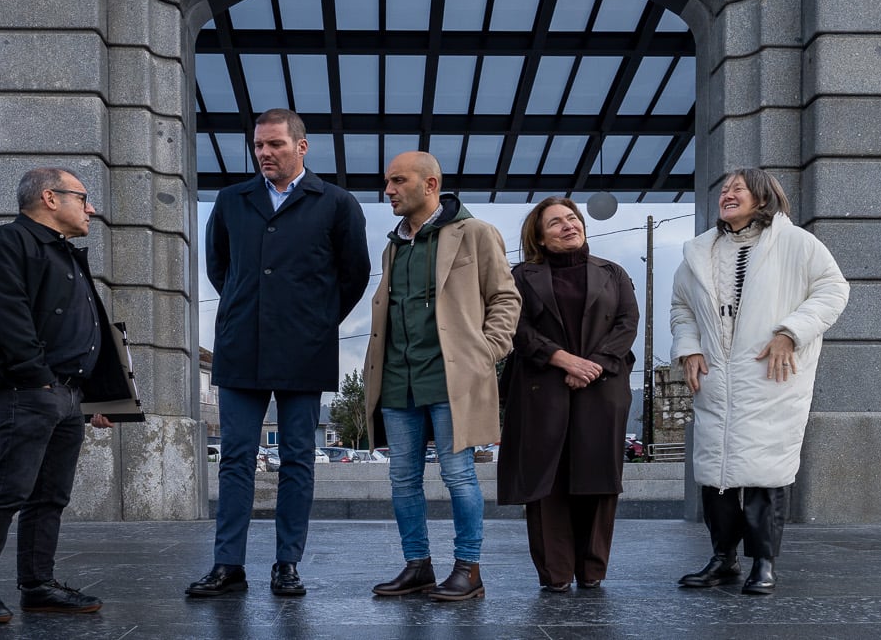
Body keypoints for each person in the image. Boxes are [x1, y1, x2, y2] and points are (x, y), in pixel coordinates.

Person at [188, 108, 371, 600]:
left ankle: (286, 563)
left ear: (301, 146)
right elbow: (220, 268)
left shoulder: (336, 203)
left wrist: (313, 319)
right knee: (236, 458)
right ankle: (228, 564)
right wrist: (249, 310)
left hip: (304, 349)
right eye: (258, 146)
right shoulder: (231, 201)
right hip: (241, 347)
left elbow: (354, 274)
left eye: (275, 145)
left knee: (297, 459)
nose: (265, 154)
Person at [0, 167, 127, 624]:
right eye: (84, 198)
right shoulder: (6, 245)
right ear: (51, 199)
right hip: (26, 390)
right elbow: (8, 318)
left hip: (67, 394)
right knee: (8, 489)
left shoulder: (67, 256)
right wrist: (40, 379)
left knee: (50, 496)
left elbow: (83, 330)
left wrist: (99, 398)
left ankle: (37, 586)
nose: (91, 208)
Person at [669, 168, 848, 596]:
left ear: (763, 197)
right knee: (715, 472)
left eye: (738, 188)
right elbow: (681, 307)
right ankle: (723, 558)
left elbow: (833, 290)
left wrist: (791, 332)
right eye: (724, 189)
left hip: (771, 373)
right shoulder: (698, 252)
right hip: (715, 375)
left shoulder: (797, 243)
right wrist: (689, 347)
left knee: (766, 471)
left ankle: (764, 561)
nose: (727, 194)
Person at [362, 151, 520, 603]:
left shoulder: (476, 234)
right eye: (386, 182)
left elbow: (505, 299)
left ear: (430, 185)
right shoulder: (394, 244)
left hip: (453, 379)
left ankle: (468, 569)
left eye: (397, 181)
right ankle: (418, 567)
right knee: (402, 480)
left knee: (459, 476)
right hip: (396, 380)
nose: (388, 190)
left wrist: (487, 353)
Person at [498, 197, 639, 592]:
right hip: (543, 387)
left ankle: (592, 569)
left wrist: (591, 365)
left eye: (572, 218)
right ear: (539, 237)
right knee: (548, 481)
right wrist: (563, 360)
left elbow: (628, 322)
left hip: (603, 385)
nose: (568, 225)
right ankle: (556, 574)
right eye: (555, 222)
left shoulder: (613, 272)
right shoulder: (521, 276)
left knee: (599, 476)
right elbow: (516, 328)